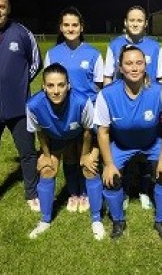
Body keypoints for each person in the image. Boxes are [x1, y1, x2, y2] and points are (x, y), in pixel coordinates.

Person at [95, 45, 162, 241]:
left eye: (139, 63)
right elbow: (103, 133)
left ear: (145, 66)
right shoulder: (106, 95)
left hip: (151, 143)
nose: (134, 68)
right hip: (122, 145)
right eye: (128, 63)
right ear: (120, 68)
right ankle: (118, 220)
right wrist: (109, 164)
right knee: (111, 179)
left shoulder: (160, 91)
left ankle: (161, 220)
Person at [103, 5, 162, 210]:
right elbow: (107, 78)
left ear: (145, 23)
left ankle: (144, 190)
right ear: (125, 22)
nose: (136, 24)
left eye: (140, 20)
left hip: (147, 105)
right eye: (132, 20)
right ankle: (125, 189)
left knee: (147, 152)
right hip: (122, 105)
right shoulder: (114, 45)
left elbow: (160, 79)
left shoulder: (155, 47)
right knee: (124, 149)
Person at [44, 6, 104, 213]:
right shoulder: (52, 54)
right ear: (61, 28)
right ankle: (73, 194)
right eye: (66, 25)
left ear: (81, 27)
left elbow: (99, 87)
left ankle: (87, 193)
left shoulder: (94, 54)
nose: (71, 28)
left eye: (75, 25)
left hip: (87, 113)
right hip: (63, 114)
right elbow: (49, 85)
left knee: (86, 154)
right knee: (69, 155)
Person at [26, 63, 97, 239]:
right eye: (50, 85)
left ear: (68, 85)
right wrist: (47, 155)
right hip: (56, 139)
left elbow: (88, 131)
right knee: (47, 168)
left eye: (61, 85)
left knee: (89, 166)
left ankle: (95, 217)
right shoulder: (33, 105)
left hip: (81, 136)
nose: (56, 91)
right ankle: (45, 220)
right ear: (43, 86)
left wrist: (86, 154)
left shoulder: (82, 101)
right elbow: (40, 132)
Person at [0, 0, 42, 210]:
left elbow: (36, 62)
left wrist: (20, 83)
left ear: (8, 8)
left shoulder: (22, 32)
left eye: (2, 6)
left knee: (28, 153)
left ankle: (31, 194)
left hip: (19, 107)